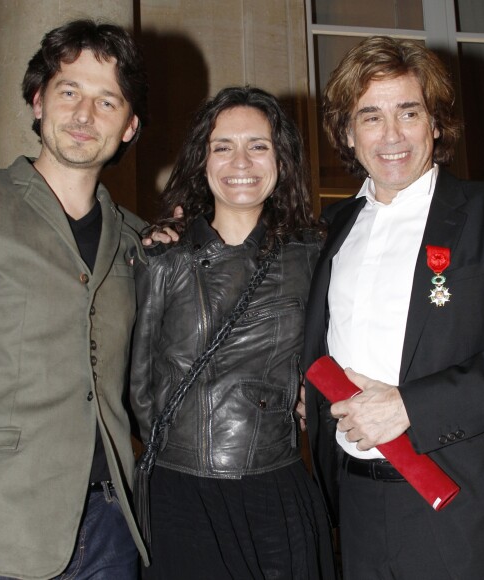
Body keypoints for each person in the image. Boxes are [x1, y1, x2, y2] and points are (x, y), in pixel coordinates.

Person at [301, 35, 484, 579]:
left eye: (408, 112)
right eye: (370, 116)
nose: (391, 135)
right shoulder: (328, 229)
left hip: (465, 515)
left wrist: (410, 407)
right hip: (357, 510)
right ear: (348, 133)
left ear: (435, 122)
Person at [130, 86, 336, 580]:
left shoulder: (315, 255)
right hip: (181, 493)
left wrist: (317, 400)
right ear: (202, 160)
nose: (240, 161)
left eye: (258, 145)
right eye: (223, 146)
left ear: (281, 160)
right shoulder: (162, 258)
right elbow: (136, 384)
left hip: (275, 487)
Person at [0, 19, 150, 579]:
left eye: (107, 101)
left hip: (111, 525)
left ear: (129, 128)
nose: (83, 114)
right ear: (37, 101)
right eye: (69, 91)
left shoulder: (138, 240)